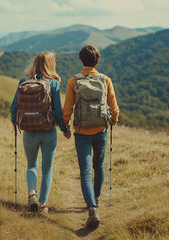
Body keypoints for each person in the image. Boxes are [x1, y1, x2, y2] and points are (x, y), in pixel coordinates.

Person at [62, 45, 119, 228]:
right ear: (97, 60)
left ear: (81, 60)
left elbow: (67, 110)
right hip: (101, 130)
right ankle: (97, 198)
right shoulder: (105, 80)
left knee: (86, 171)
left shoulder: (74, 81)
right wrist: (113, 120)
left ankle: (92, 209)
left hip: (82, 132)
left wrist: (66, 127)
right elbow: (114, 107)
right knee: (99, 165)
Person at [10, 51, 71, 213]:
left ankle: (32, 193)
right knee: (47, 169)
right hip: (48, 132)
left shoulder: (24, 82)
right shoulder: (53, 84)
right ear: (51, 65)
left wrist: (16, 122)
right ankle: (43, 204)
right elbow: (58, 112)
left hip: (29, 132)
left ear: (35, 63)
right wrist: (65, 129)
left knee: (31, 165)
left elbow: (13, 109)